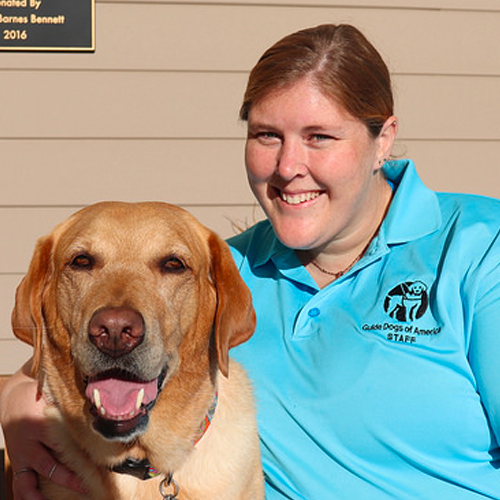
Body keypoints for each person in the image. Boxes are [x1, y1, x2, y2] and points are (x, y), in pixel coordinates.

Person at [2, 23, 500, 500]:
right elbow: (71, 350)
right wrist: (12, 405)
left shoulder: (478, 249)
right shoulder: (222, 272)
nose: (287, 167)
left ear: (383, 139)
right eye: (266, 135)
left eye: (319, 137)